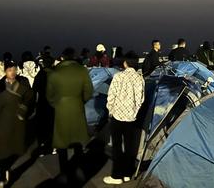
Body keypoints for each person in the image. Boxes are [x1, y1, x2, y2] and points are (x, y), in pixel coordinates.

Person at [0, 61, 34, 187]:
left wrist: (23, 109)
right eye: (10, 70)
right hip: (2, 122)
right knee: (1, 150)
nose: (12, 72)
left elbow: (29, 98)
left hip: (17, 122)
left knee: (14, 150)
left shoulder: (22, 86)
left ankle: (6, 169)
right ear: (5, 71)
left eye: (14, 70)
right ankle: (1, 176)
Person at [46, 48, 93, 178]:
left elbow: (49, 95)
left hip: (60, 108)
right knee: (78, 140)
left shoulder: (55, 73)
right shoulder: (82, 70)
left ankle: (64, 173)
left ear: (62, 58)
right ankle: (79, 170)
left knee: (62, 142)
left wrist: (56, 104)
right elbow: (89, 91)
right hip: (77, 106)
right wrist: (80, 100)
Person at [103, 52, 145, 185]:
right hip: (131, 117)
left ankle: (116, 175)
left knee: (116, 146)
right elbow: (140, 100)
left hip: (117, 116)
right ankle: (127, 173)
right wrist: (134, 111)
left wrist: (110, 110)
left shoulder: (118, 76)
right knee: (130, 146)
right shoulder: (140, 79)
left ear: (125, 63)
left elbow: (111, 96)